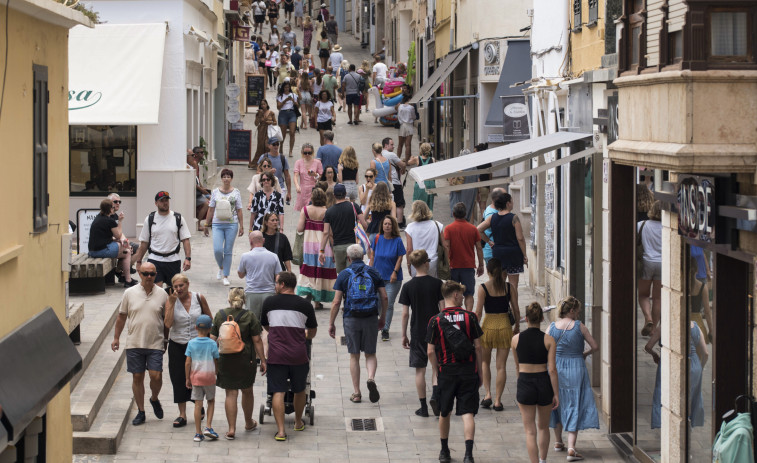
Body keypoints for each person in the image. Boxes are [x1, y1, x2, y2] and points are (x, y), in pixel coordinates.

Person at [426, 280, 484, 463]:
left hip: (447, 370)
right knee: (468, 413)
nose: (463, 297)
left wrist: (436, 371)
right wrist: (480, 372)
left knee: (445, 411)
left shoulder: (435, 320)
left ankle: (444, 451)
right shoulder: (471, 317)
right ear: (455, 295)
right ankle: (468, 454)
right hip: (468, 370)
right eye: (461, 293)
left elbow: (429, 351)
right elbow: (478, 347)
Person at [261, 271, 318, 440]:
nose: (275, 285)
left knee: (278, 391)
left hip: (277, 355)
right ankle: (298, 422)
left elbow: (265, 326)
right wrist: (304, 335)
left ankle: (280, 431)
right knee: (299, 389)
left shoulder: (269, 302)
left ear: (283, 284)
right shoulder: (305, 305)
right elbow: (313, 331)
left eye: (276, 283)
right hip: (298, 355)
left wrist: (278, 333)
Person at [111, 262, 169, 426]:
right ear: (139, 273)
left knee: (156, 375)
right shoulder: (129, 293)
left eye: (152, 274)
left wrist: (166, 340)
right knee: (137, 376)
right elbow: (122, 316)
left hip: (155, 341)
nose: (149, 277)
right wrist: (116, 338)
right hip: (134, 341)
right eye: (145, 274)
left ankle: (154, 398)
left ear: (156, 274)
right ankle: (141, 411)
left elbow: (166, 320)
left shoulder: (162, 294)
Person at [329, 244, 388, 403]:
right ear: (363, 257)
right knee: (370, 353)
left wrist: (331, 323)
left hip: (351, 317)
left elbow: (336, 302)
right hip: (370, 317)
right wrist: (382, 318)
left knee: (354, 356)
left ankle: (356, 393)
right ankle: (371, 378)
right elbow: (384, 297)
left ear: (348, 258)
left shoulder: (344, 274)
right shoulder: (374, 272)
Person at [547, 296, 599, 461]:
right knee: (574, 403)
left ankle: (557, 442)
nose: (579, 313)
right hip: (576, 366)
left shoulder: (551, 327)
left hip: (557, 367)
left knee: (557, 403)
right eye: (577, 311)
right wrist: (584, 354)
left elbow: (545, 346)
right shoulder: (579, 326)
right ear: (571, 311)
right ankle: (571, 448)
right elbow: (595, 346)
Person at [210, 288, 266, 440]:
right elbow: (257, 340)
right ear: (244, 300)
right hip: (245, 359)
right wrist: (263, 360)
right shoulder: (249, 316)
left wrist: (211, 360)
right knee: (247, 391)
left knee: (231, 393)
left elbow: (212, 339)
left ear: (229, 300)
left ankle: (231, 428)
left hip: (225, 359)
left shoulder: (220, 315)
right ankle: (248, 422)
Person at [511, 302, 559, 463]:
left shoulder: (515, 339)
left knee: (530, 431)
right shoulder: (549, 340)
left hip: (525, 382)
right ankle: (543, 460)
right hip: (543, 382)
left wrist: (521, 385)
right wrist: (556, 393)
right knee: (543, 427)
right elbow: (552, 369)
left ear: (526, 318)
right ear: (541, 319)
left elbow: (517, 367)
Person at [399, 249, 443, 417]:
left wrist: (404, 334)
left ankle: (423, 407)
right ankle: (436, 398)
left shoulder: (408, 286)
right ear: (427, 263)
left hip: (417, 331)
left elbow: (405, 313)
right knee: (436, 367)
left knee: (420, 370)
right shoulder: (437, 283)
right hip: (436, 331)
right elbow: (442, 309)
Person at [165, 274, 212, 428]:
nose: (179, 289)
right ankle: (182, 414)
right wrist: (171, 304)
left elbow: (209, 319)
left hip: (197, 344)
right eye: (176, 286)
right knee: (178, 377)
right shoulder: (170, 300)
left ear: (187, 284)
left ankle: (198, 404)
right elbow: (168, 324)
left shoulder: (199, 298)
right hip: (177, 343)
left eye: (181, 286)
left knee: (196, 376)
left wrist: (210, 341)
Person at [474, 258, 519, 414]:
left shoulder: (483, 288)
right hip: (505, 326)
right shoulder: (509, 287)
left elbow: (478, 312)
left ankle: (487, 394)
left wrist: (475, 331)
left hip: (488, 326)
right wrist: (517, 326)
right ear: (501, 271)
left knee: (485, 363)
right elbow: (516, 309)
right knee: (501, 366)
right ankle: (498, 400)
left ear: (488, 271)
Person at [134, 191, 192, 289]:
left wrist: (188, 258)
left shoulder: (178, 218)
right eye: (162, 201)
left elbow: (185, 239)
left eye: (166, 200)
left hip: (173, 259)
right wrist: (139, 261)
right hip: (155, 259)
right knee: (157, 289)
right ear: (156, 203)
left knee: (172, 290)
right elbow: (144, 243)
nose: (165, 203)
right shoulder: (150, 219)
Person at [477, 192, 528, 300]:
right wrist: (524, 254)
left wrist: (489, 242)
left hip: (498, 254)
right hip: (513, 254)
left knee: (500, 283)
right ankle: (514, 310)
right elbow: (520, 238)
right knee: (513, 285)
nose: (513, 203)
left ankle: (502, 308)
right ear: (508, 203)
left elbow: (479, 229)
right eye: (512, 201)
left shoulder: (492, 218)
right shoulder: (514, 218)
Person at [295, 188, 336, 309]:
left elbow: (299, 228)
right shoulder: (327, 211)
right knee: (322, 270)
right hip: (324, 245)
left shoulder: (306, 210)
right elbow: (330, 232)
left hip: (309, 244)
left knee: (309, 268)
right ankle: (317, 300)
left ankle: (310, 293)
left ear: (312, 197)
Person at [204, 169, 244, 286]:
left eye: (228, 176)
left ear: (231, 178)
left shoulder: (236, 192)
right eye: (224, 176)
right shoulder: (215, 192)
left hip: (232, 224)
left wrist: (242, 226)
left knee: (228, 251)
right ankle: (221, 266)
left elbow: (239, 209)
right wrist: (206, 224)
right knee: (217, 250)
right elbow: (211, 209)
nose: (226, 179)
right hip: (217, 224)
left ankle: (225, 275)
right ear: (221, 178)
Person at [369, 215, 406, 342]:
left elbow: (400, 257)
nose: (387, 226)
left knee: (388, 303)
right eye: (385, 224)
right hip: (378, 277)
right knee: (378, 302)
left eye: (389, 224)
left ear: (393, 226)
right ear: (382, 226)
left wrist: (395, 272)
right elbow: (372, 256)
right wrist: (369, 271)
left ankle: (385, 329)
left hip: (392, 279)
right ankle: (381, 322)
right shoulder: (377, 238)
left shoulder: (397, 241)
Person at [183, 314, 219, 442]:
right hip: (209, 377)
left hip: (196, 378)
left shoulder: (191, 343)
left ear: (195, 327)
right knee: (211, 401)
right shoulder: (213, 344)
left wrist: (187, 378)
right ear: (210, 329)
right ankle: (208, 427)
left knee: (198, 404)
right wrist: (217, 372)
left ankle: (198, 433)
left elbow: (187, 362)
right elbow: (216, 360)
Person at [444, 202, 484, 311]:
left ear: (453, 213)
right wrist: (481, 264)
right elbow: (479, 248)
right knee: (469, 293)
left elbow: (446, 246)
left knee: (453, 293)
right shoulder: (473, 229)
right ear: (465, 214)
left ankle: (455, 315)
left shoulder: (448, 229)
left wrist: (446, 264)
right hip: (468, 266)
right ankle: (469, 315)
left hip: (453, 266)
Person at [88, 199, 137, 287]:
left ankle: (124, 277)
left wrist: (122, 243)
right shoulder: (109, 220)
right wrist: (120, 221)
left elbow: (107, 237)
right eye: (113, 207)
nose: (114, 209)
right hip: (101, 251)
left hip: (93, 250)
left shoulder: (99, 218)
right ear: (110, 209)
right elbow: (118, 235)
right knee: (127, 251)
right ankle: (126, 279)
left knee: (126, 247)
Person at [319, 184, 367, 273]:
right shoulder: (354, 206)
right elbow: (364, 225)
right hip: (353, 246)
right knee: (352, 273)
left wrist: (321, 251)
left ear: (334, 195)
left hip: (338, 247)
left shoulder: (329, 211)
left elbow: (326, 233)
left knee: (342, 275)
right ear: (346, 193)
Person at [238, 231, 283, 320]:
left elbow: (241, 275)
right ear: (263, 240)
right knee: (269, 321)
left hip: (252, 293)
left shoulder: (245, 256)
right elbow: (278, 276)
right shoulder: (273, 256)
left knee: (252, 322)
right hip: (269, 293)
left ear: (250, 242)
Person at [638, 200, 662, 336]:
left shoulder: (642, 225)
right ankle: (654, 329)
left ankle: (648, 318)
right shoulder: (668, 227)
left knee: (643, 295)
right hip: (662, 264)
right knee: (657, 299)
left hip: (647, 263)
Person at [404, 200, 443, 278]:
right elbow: (445, 245)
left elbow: (409, 249)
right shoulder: (437, 225)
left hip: (416, 263)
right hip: (433, 262)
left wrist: (409, 264)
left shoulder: (410, 227)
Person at [381, 137, 407, 227]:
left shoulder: (379, 155)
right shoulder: (391, 155)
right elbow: (402, 164)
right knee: (399, 203)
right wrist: (403, 168)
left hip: (384, 183)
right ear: (386, 145)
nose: (393, 146)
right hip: (395, 182)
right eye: (391, 144)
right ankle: (400, 223)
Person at [259, 137, 292, 205]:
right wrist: (268, 173)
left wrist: (289, 192)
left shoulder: (282, 158)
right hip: (266, 187)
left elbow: (287, 176)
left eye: (277, 144)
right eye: (274, 144)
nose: (276, 146)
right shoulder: (264, 157)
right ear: (269, 146)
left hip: (280, 188)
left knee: (278, 210)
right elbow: (258, 172)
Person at [293, 143, 323, 211]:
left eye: (309, 153)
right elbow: (295, 175)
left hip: (313, 190)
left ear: (312, 153)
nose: (307, 155)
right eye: (305, 153)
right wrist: (297, 186)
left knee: (312, 211)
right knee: (303, 212)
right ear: (302, 152)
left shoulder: (317, 162)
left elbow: (321, 177)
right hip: (302, 190)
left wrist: (315, 175)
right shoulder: (298, 162)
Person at [407, 142, 437, 211]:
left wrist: (411, 158)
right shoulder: (432, 159)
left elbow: (409, 162)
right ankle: (429, 219)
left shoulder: (417, 159)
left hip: (421, 184)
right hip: (430, 183)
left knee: (419, 204)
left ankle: (420, 218)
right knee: (430, 205)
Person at [481, 188, 506, 264]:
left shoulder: (494, 209)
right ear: (498, 199)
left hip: (495, 251)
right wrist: (489, 242)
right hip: (492, 253)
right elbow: (479, 230)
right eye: (505, 197)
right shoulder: (491, 214)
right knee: (497, 275)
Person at [276, 80, 298, 158]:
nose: (286, 89)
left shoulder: (293, 95)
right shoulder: (280, 96)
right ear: (283, 88)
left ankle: (290, 150)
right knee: (283, 133)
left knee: (292, 132)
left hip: (292, 113)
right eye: (285, 87)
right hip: (283, 113)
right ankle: (281, 146)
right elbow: (278, 107)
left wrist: (293, 101)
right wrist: (285, 100)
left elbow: (297, 105)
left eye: (288, 87)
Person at [253, 99, 277, 164]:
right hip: (261, 131)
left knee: (267, 146)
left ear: (267, 105)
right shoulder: (259, 113)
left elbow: (275, 122)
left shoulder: (271, 113)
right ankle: (259, 162)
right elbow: (256, 124)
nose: (263, 106)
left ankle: (269, 162)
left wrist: (270, 122)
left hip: (269, 131)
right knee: (260, 146)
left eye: (264, 104)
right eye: (262, 104)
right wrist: (259, 115)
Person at [397, 95, 416, 160]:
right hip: (409, 125)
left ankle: (397, 159)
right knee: (408, 145)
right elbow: (414, 117)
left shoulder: (400, 106)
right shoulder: (411, 108)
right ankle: (407, 161)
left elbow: (398, 116)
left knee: (400, 144)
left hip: (402, 125)